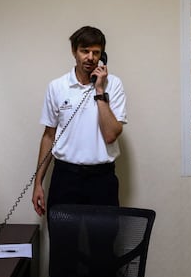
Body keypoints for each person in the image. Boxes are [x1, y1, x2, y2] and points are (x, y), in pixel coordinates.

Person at [32, 26, 127, 217]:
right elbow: (49, 136)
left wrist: (99, 91)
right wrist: (38, 184)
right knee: (63, 243)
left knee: (102, 242)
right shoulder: (57, 87)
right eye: (85, 51)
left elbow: (110, 135)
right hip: (66, 177)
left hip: (102, 178)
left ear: (102, 55)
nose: (90, 57)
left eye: (96, 52)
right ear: (74, 51)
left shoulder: (114, 85)